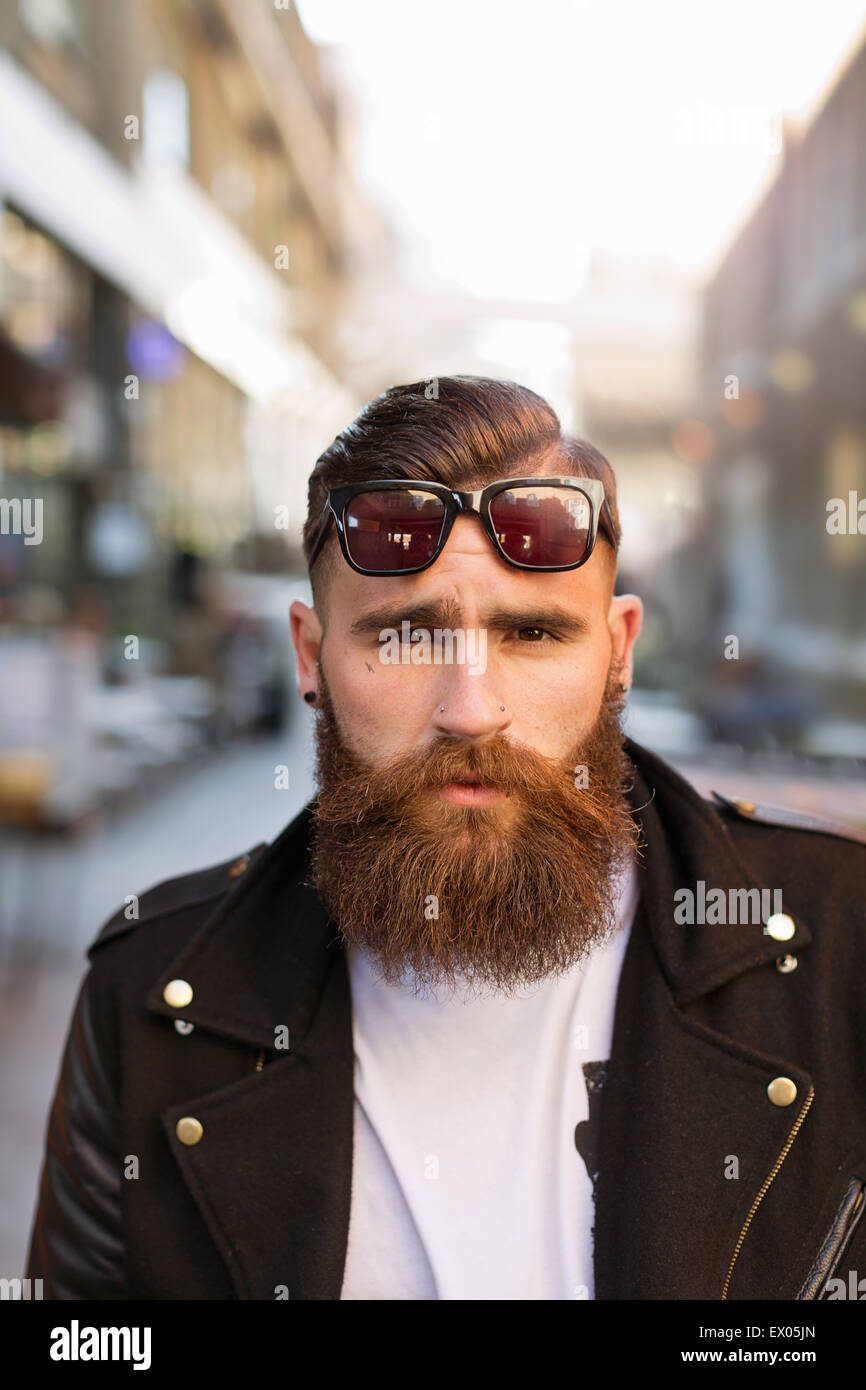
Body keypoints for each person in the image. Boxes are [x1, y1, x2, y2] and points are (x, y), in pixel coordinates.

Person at [26, 377, 866, 1301]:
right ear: (310, 657)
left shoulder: (841, 945)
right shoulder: (153, 993)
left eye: (535, 632)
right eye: (404, 635)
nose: (471, 710)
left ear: (618, 652)